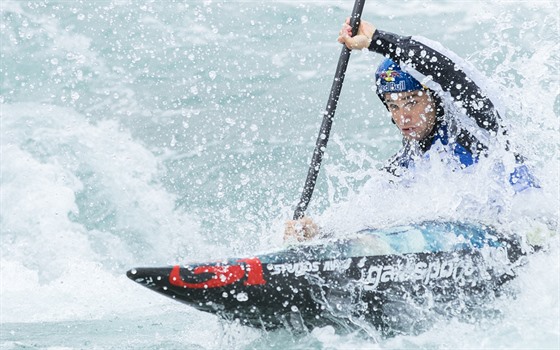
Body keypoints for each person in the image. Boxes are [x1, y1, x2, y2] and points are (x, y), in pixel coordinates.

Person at [284, 19, 538, 242]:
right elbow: (366, 218)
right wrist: (319, 234)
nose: (403, 116)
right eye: (393, 105)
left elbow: (445, 70)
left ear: (436, 100)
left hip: (529, 233)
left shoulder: (478, 129)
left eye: (412, 102)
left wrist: (377, 41)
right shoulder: (406, 164)